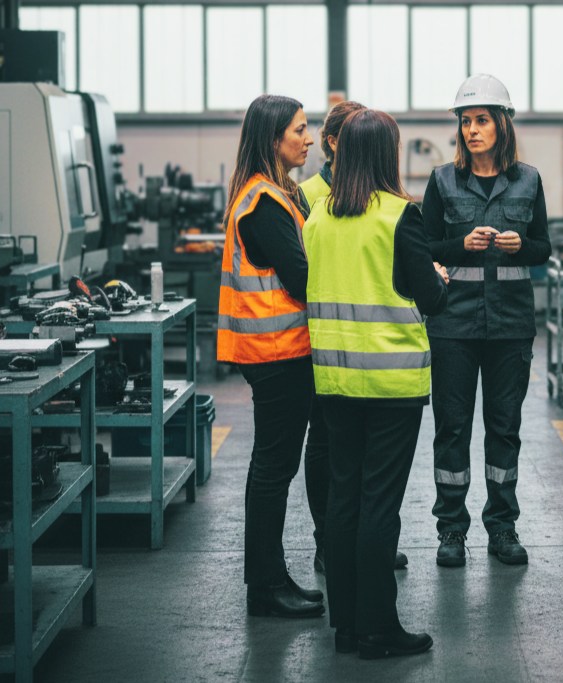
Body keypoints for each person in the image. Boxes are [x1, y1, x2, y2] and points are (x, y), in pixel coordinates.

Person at [303, 108, 447, 659]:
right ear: (387, 154)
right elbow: (429, 298)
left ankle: (346, 627)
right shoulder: (398, 216)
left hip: (334, 380)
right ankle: (378, 629)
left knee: (343, 500)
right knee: (379, 505)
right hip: (391, 385)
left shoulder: (317, 217)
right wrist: (437, 277)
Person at [422, 74, 551, 567]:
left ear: (501, 124)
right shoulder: (441, 181)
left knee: (504, 428)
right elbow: (426, 247)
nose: (471, 130)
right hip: (453, 327)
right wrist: (460, 246)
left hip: (510, 326)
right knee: (452, 429)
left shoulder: (529, 180)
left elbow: (541, 247)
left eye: (480, 120)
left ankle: (503, 527)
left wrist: (525, 246)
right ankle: (451, 530)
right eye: (465, 121)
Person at [217, 94, 324, 618]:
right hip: (277, 352)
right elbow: (301, 277)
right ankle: (265, 586)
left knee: (270, 467)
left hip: (274, 351)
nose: (308, 139)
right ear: (272, 138)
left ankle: (272, 576)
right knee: (273, 469)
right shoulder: (264, 203)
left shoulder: (273, 194)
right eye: (300, 130)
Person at [298, 100, 409, 575]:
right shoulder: (309, 198)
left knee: (353, 480)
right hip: (346, 355)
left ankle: (352, 565)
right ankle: (335, 546)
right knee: (338, 462)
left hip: (342, 357)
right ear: (335, 143)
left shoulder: (329, 208)